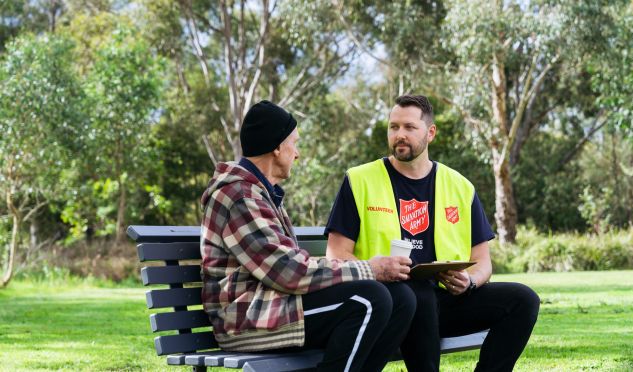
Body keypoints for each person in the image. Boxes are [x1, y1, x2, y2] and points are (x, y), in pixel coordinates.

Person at [326, 95, 540, 372]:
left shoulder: (460, 186)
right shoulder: (360, 179)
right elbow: (336, 253)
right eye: (393, 127)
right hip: (391, 303)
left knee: (524, 300)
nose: (399, 135)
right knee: (418, 293)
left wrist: (470, 282)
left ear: (430, 132)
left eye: (409, 127)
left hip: (447, 301)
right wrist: (377, 269)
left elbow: (483, 261)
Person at [200, 100, 416, 372]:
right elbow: (290, 272)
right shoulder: (240, 196)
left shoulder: (260, 193)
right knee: (370, 298)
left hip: (273, 304)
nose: (297, 153)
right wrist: (368, 268)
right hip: (246, 318)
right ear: (277, 147)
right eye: (294, 143)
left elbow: (289, 266)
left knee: (401, 299)